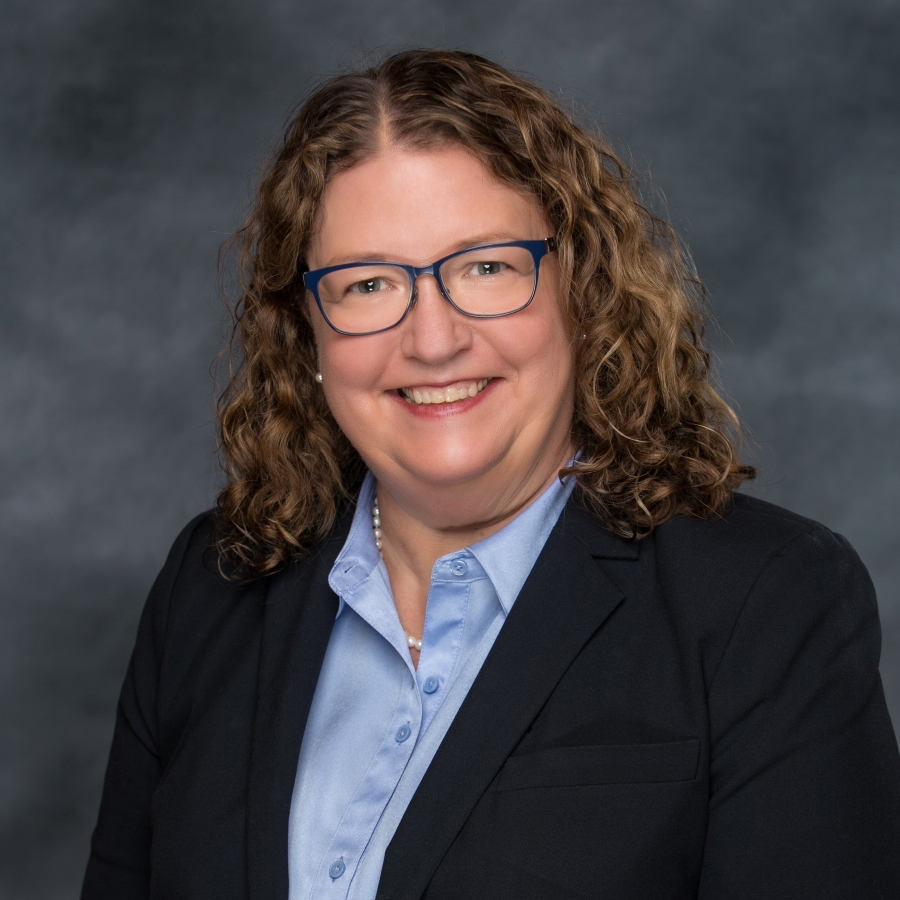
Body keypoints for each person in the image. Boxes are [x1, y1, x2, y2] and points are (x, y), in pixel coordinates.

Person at [81, 49, 900, 900]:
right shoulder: (210, 587)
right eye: (368, 283)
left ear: (581, 290)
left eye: (486, 268)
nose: (433, 340)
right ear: (308, 334)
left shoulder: (763, 602)